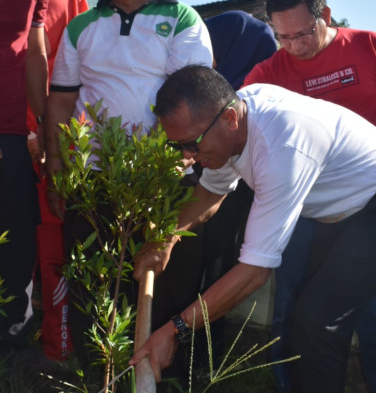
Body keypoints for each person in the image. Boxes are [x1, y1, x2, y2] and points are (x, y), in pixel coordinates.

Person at [130, 64, 376, 393]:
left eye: (192, 144)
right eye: (179, 147)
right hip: (340, 210)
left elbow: (254, 272)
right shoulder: (231, 125)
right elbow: (210, 193)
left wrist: (175, 330)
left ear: (230, 118)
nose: (188, 157)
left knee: (315, 322)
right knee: (312, 322)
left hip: (369, 204)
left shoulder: (282, 146)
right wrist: (167, 239)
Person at [44, 0, 212, 380]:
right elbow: (61, 101)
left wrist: (160, 162)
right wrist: (56, 167)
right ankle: (98, 377)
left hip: (164, 176)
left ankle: (161, 380)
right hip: (93, 181)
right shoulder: (82, 25)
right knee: (94, 283)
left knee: (169, 288)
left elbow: (194, 97)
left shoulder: (182, 18)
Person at [242, 0, 376, 390]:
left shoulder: (367, 46)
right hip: (303, 207)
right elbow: (234, 121)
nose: (295, 47)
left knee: (369, 314)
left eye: (303, 33)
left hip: (368, 201)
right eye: (283, 37)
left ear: (327, 16)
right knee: (291, 311)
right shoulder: (268, 72)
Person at [197, 9, 277, 364]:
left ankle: (201, 354)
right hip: (214, 167)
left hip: (242, 173)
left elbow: (255, 271)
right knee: (196, 259)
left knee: (219, 263)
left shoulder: (254, 43)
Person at [0, 0, 48, 355]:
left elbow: (34, 54)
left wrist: (47, 125)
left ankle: (4, 370)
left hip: (12, 138)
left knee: (16, 256)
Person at [26, 0, 89, 361]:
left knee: (54, 252)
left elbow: (76, 70)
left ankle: (58, 348)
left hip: (48, 146)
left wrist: (49, 136)